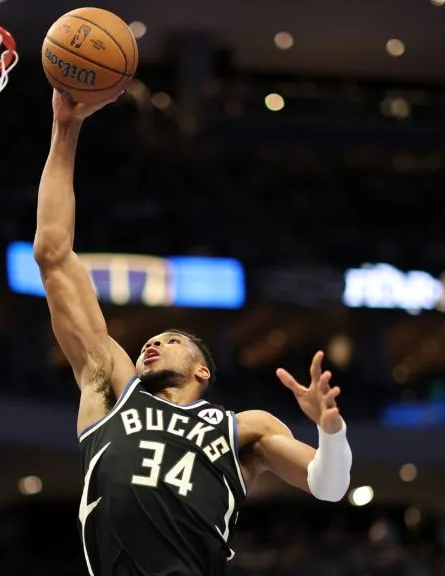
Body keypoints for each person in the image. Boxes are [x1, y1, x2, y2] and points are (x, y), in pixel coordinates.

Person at [32, 90, 353, 576]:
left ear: (202, 370)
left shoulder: (245, 428)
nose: (153, 342)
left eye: (173, 339)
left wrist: (332, 433)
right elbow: (53, 254)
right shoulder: (110, 387)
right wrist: (65, 127)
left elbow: (329, 486)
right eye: (150, 341)